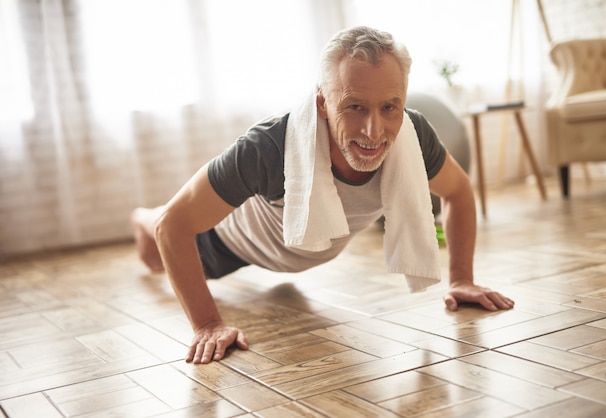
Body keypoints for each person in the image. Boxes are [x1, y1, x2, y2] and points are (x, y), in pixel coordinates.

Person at [131, 26, 514, 365]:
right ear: (322, 104)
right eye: (354, 107)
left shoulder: (415, 137)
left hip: (297, 256)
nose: (373, 130)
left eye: (389, 107)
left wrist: (461, 278)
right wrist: (207, 324)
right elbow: (174, 226)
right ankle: (141, 217)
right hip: (228, 243)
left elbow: (459, 191)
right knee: (160, 234)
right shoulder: (267, 148)